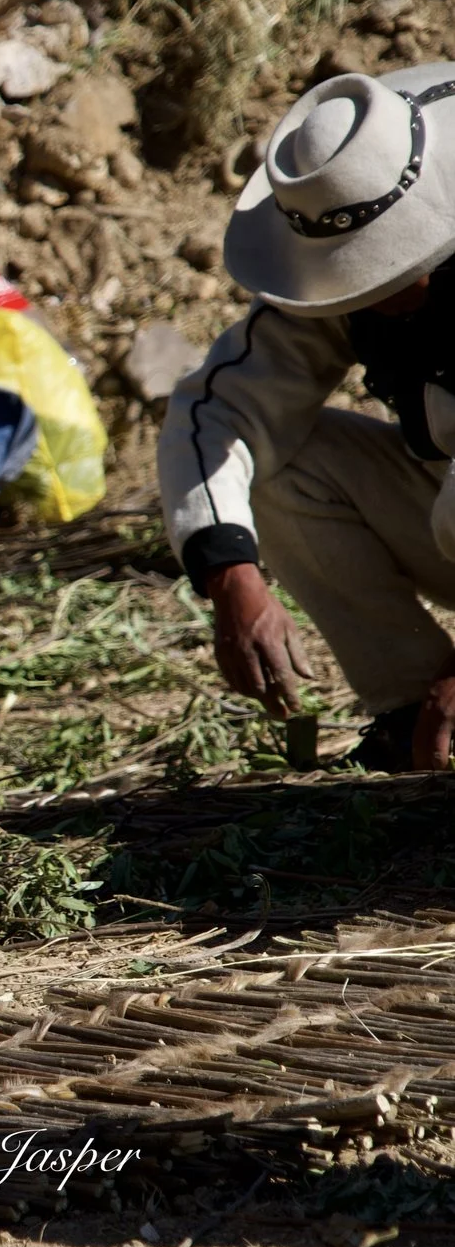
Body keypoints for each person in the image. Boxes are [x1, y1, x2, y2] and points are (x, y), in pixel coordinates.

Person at [159, 63, 455, 770]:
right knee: (273, 470)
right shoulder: (343, 281)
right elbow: (220, 408)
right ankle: (420, 718)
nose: (366, 281)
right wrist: (229, 574)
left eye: (384, 263)